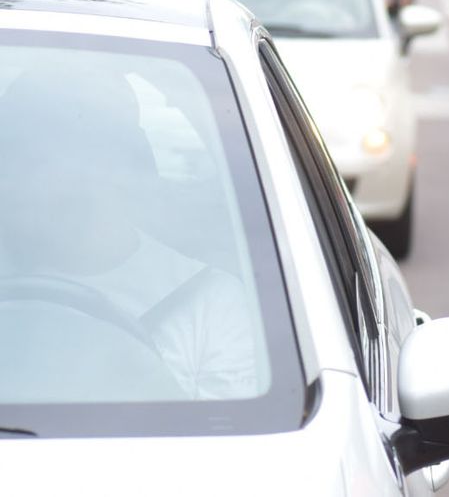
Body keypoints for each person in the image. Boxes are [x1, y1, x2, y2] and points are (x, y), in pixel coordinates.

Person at [0, 65, 258, 401]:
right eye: (29, 161)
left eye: (83, 157)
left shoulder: (210, 303)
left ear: (127, 165)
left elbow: (228, 444)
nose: (55, 180)